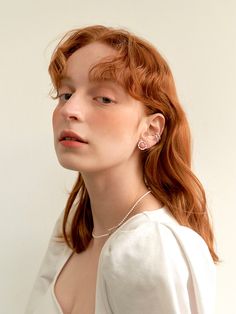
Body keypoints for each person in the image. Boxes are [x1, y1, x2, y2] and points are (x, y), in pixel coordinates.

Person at [25, 25, 218, 314]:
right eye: (66, 94)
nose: (70, 110)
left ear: (151, 129)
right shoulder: (73, 231)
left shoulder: (150, 248)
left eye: (103, 98)